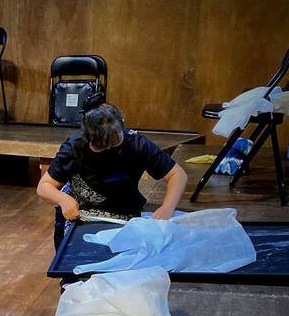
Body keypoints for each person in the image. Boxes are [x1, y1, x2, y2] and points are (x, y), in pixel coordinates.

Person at [36, 99, 188, 249]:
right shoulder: (75, 146)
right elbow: (44, 186)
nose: (109, 148)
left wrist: (167, 207)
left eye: (114, 142)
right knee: (75, 257)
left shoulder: (136, 144)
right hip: (80, 212)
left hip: (123, 212)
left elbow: (177, 175)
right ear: (88, 136)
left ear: (122, 125)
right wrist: (62, 199)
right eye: (101, 146)